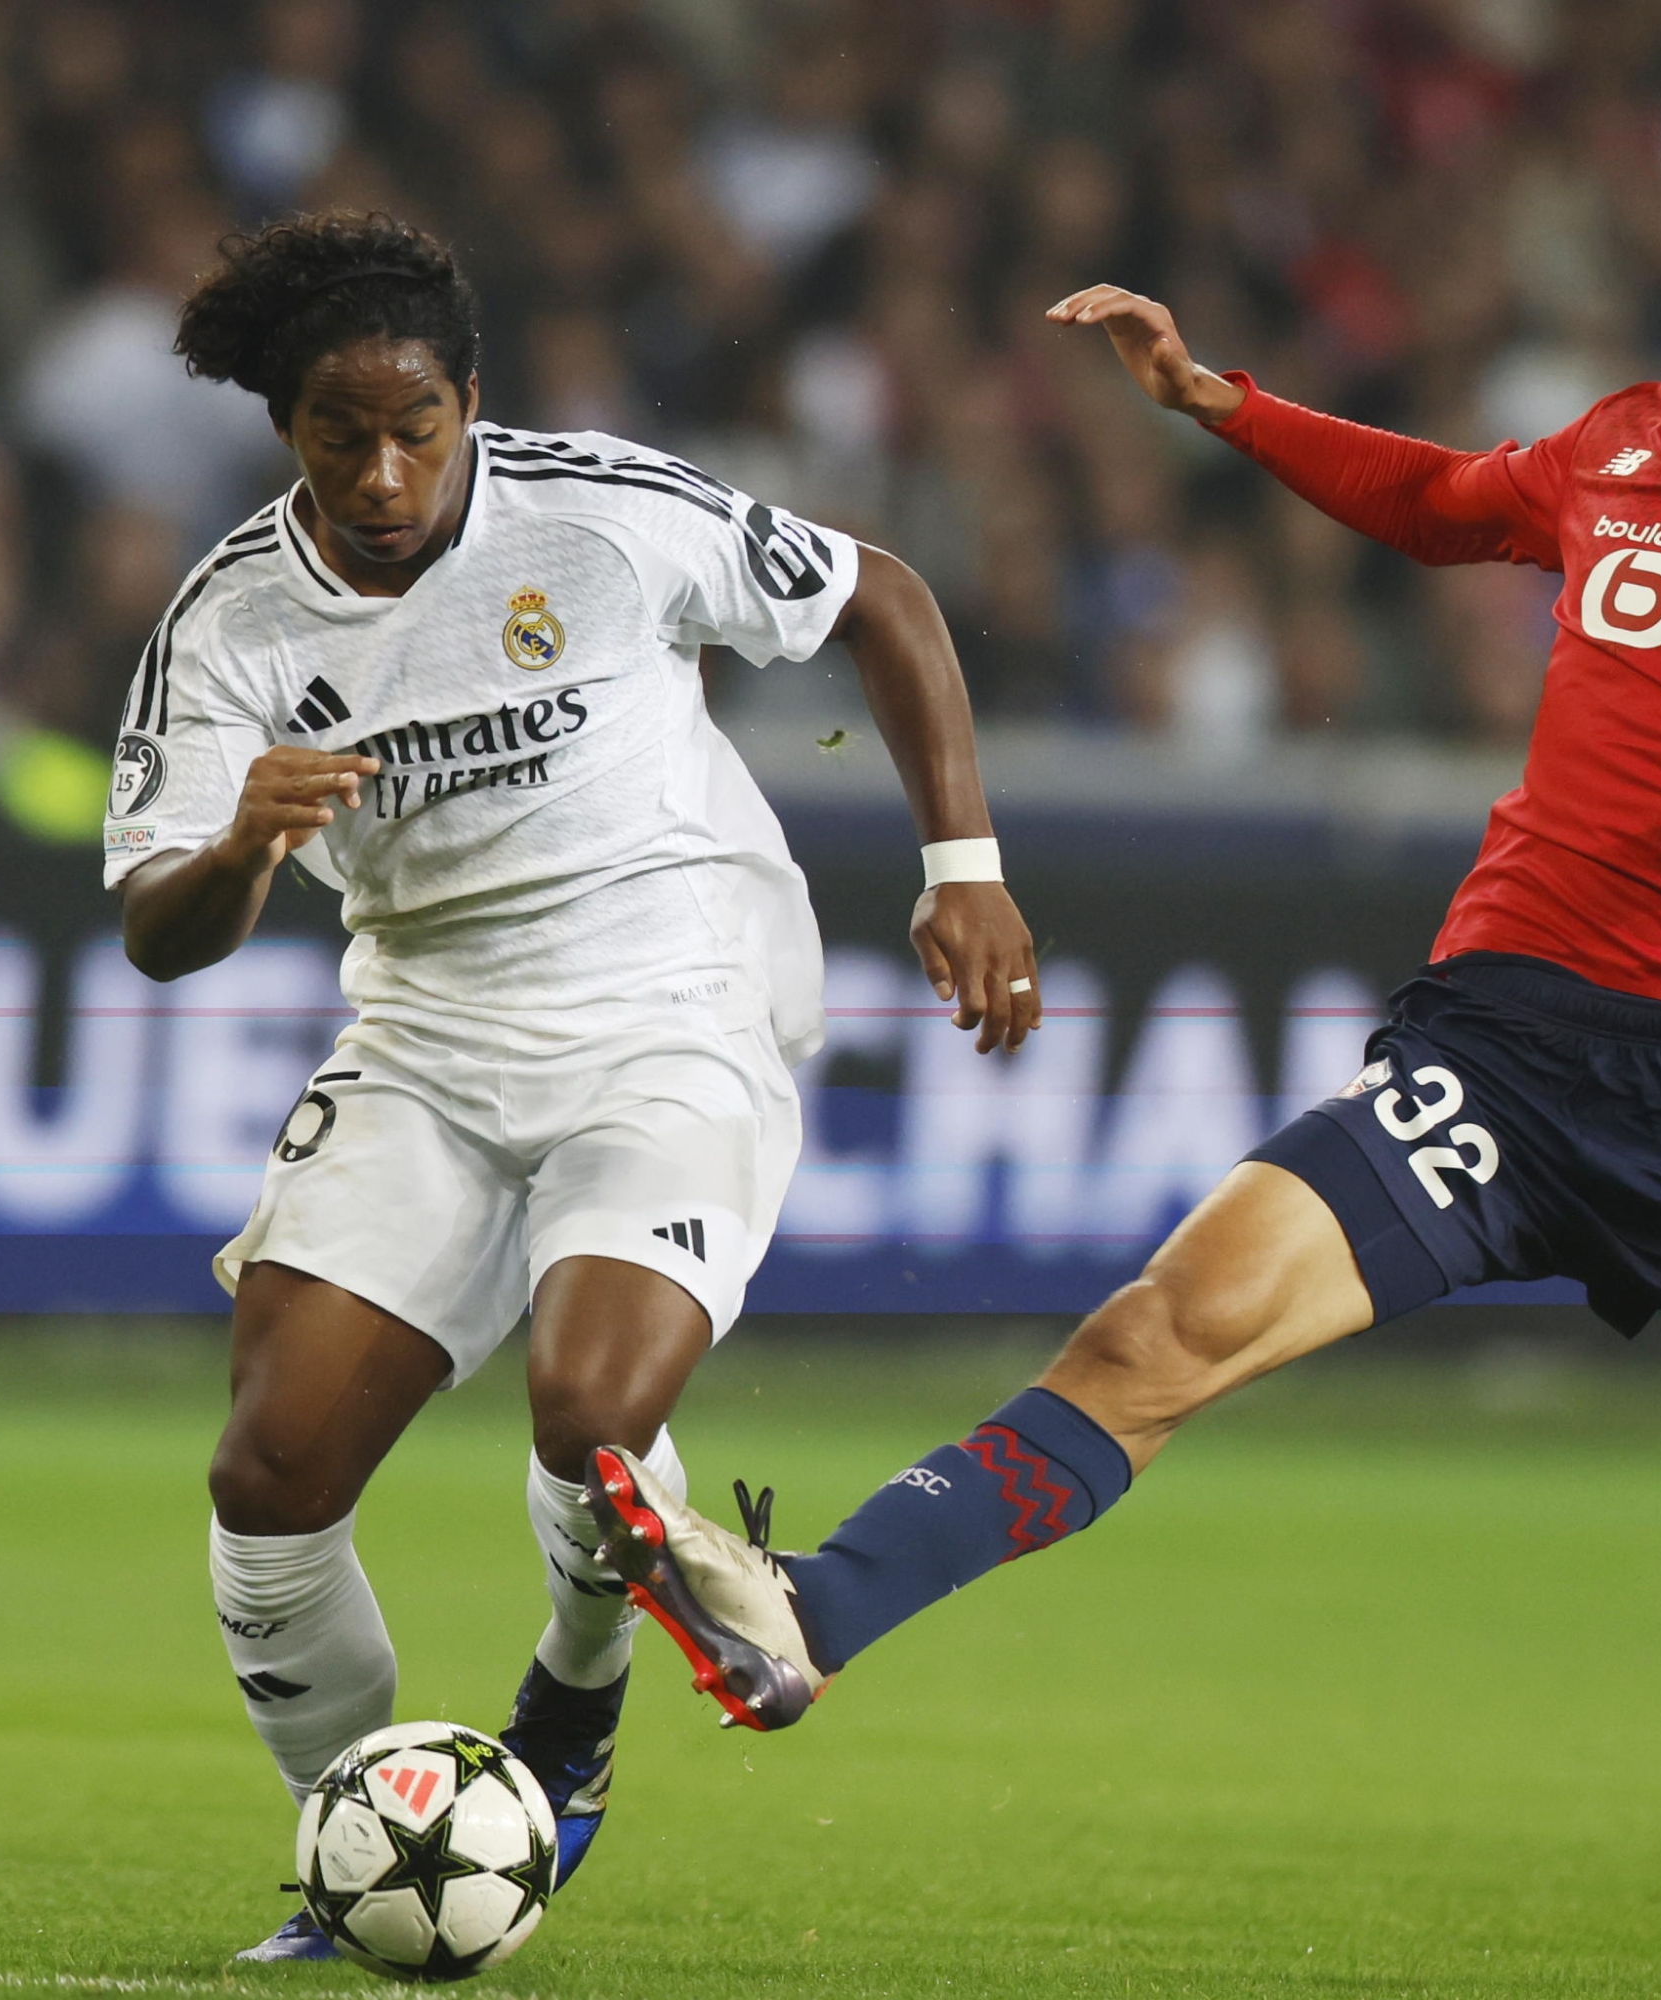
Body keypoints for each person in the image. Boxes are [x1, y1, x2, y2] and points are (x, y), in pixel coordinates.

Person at [585, 88, 1661, 1953]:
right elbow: (1446, 504)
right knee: (1160, 1331)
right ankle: (813, 1612)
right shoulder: (1628, 442)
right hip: (1505, 1046)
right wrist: (1226, 404)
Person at [99, 211, 1040, 1963]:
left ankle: (577, 1703)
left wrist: (962, 865)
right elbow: (163, 934)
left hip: (672, 995)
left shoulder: (604, 512)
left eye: (418, 428)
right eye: (339, 437)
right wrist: (240, 845)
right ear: (285, 429)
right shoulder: (228, 622)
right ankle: (365, 1848)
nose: (385, 473)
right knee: (270, 1472)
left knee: (589, 1411)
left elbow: (882, 598)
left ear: (471, 400)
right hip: (428, 1032)